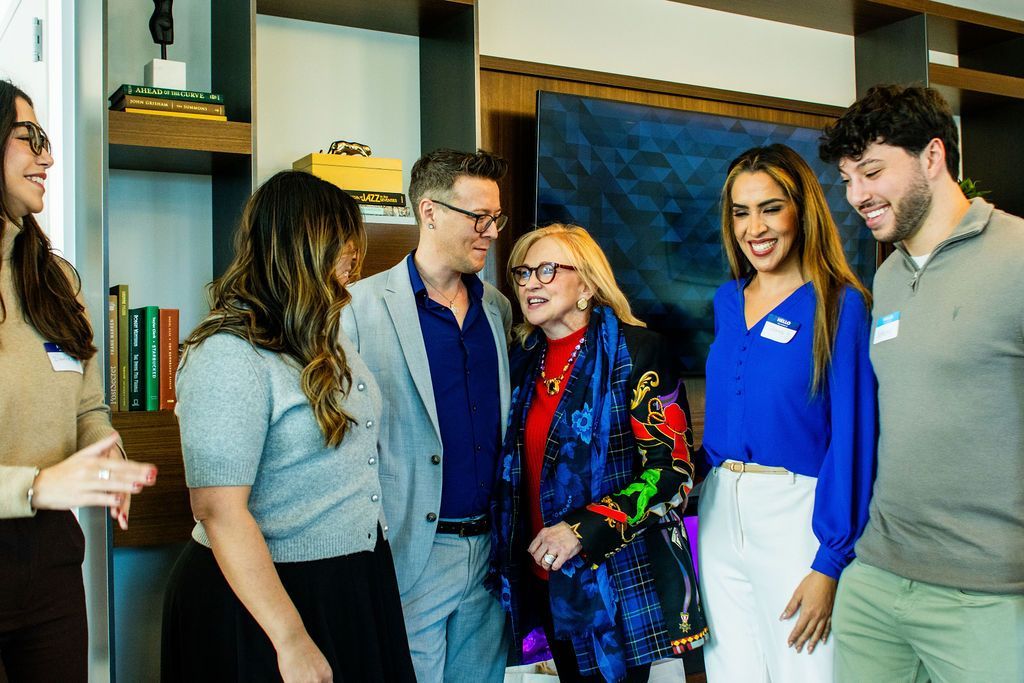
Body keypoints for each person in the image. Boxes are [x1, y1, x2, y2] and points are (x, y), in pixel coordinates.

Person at [161, 170, 414, 682]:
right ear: (305, 247)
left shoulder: (323, 336)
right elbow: (218, 510)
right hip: (265, 599)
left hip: (352, 581)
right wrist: (291, 638)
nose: (354, 259)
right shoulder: (227, 354)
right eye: (344, 244)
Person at [819, 84, 1024, 682]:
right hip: (877, 576)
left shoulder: (1016, 255)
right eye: (847, 179)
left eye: (872, 172)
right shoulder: (887, 278)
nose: (857, 195)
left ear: (932, 156)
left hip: (988, 592)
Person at [490, 223, 707, 683]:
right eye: (523, 273)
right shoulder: (522, 358)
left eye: (547, 270)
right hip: (546, 579)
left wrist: (580, 531)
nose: (530, 283)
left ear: (586, 285)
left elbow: (672, 472)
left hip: (619, 582)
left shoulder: (638, 351)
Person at [698, 144, 876, 682]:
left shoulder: (840, 303)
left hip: (798, 515)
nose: (754, 228)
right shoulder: (727, 300)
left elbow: (853, 438)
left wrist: (829, 562)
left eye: (770, 208)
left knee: (805, 670)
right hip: (719, 509)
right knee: (730, 672)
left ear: (802, 211)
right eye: (741, 212)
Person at [0, 80, 157, 681]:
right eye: (30, 137)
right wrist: (36, 485)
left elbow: (88, 405)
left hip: (52, 559)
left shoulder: (55, 279)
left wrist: (106, 451)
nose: (48, 156)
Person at [341, 148, 512, 682]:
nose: (491, 232)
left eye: (496, 218)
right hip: (411, 552)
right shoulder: (355, 309)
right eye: (478, 217)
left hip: (490, 557)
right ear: (429, 211)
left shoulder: (498, 308)